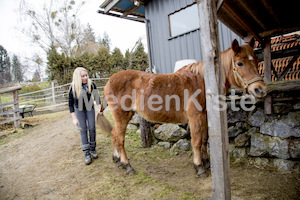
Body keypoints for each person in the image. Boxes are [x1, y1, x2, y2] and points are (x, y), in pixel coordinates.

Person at [68, 67, 102, 165]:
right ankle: (86, 153)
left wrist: (100, 108)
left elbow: (96, 97)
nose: (85, 77)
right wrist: (74, 118)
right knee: (83, 130)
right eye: (83, 76)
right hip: (79, 110)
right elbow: (70, 104)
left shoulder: (91, 84)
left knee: (92, 127)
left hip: (89, 108)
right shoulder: (73, 88)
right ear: (78, 77)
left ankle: (92, 149)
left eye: (86, 75)